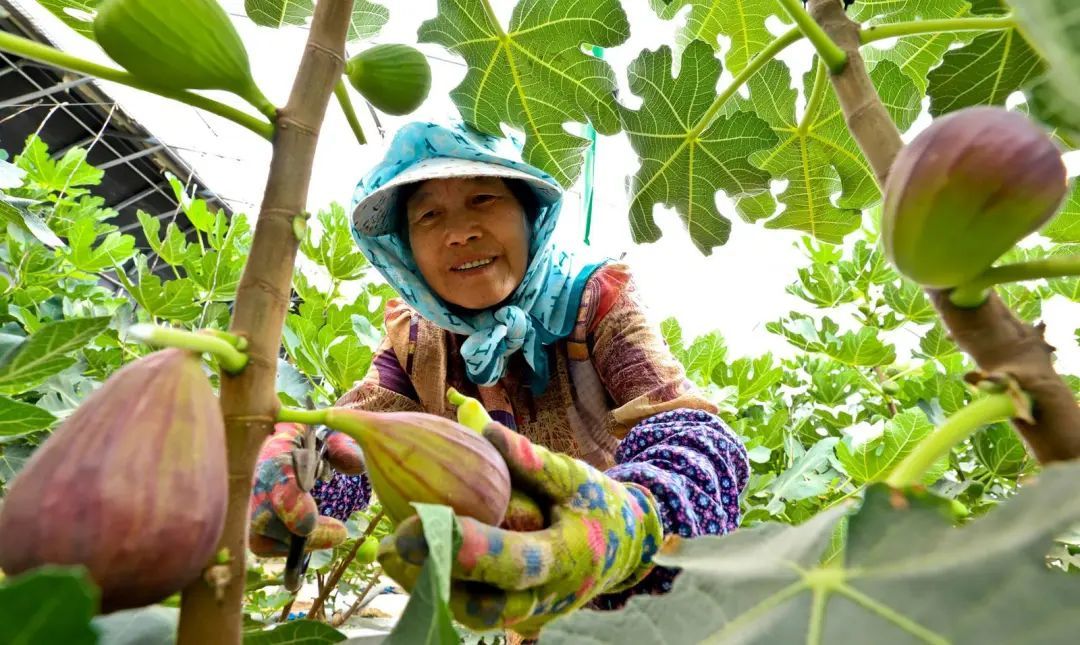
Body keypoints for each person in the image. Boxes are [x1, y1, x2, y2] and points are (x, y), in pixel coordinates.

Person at [249, 122, 749, 637]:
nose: (459, 232)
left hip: (645, 615)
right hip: (526, 612)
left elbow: (696, 434)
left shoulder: (596, 301)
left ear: (531, 215)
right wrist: (300, 473)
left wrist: (631, 520)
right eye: (429, 214)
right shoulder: (418, 338)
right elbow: (355, 434)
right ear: (406, 251)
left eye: (483, 198)